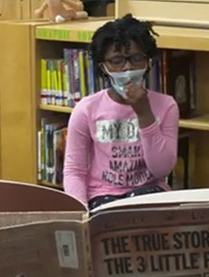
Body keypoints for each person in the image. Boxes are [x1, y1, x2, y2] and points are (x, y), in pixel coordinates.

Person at [63, 14, 179, 210]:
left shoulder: (166, 106)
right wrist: (80, 211)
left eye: (136, 58)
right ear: (104, 66)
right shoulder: (87, 109)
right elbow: (74, 170)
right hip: (102, 196)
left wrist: (145, 115)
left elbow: (162, 169)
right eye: (117, 60)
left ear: (148, 61)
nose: (127, 67)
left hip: (148, 194)